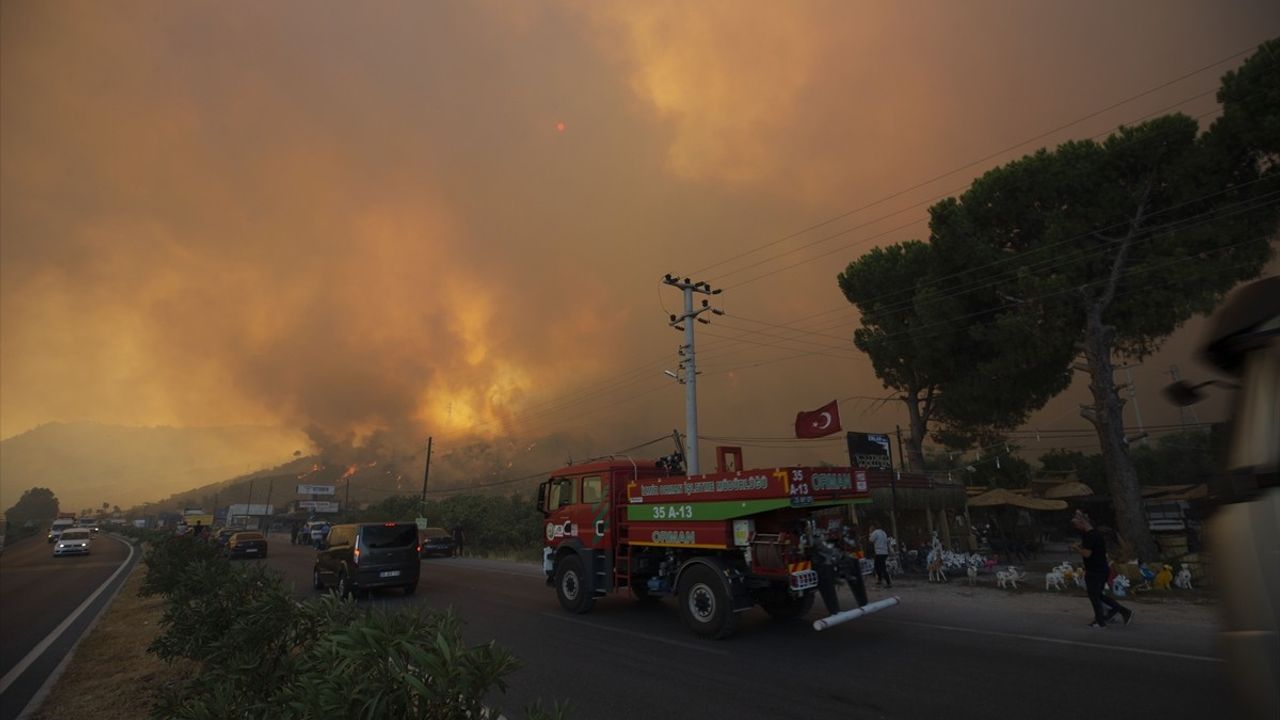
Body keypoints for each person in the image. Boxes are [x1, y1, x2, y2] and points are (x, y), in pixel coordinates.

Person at [1072, 509, 1132, 628]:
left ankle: (1101, 621)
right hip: (1099, 568)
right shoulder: (1091, 534)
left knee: (1095, 596)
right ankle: (1122, 611)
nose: (1076, 527)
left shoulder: (1091, 536)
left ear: (1082, 523)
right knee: (1097, 595)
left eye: (1077, 524)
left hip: (1096, 570)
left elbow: (1087, 553)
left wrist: (1076, 548)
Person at [868, 522, 892, 589]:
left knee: (881, 567)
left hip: (879, 552)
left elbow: (870, 540)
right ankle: (880, 580)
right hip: (884, 552)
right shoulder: (884, 533)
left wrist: (870, 533)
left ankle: (888, 582)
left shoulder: (875, 532)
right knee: (878, 566)